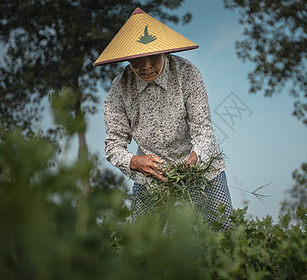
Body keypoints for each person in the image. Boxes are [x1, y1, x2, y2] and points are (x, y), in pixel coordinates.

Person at [94, 8, 233, 229]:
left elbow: (204, 133)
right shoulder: (120, 89)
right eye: (138, 59)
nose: (146, 65)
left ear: (164, 52)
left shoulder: (187, 74)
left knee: (223, 233)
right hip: (150, 177)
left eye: (153, 56)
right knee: (141, 246)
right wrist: (135, 162)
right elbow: (113, 147)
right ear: (128, 58)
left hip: (201, 170)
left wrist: (193, 162)